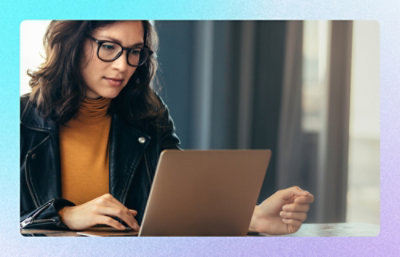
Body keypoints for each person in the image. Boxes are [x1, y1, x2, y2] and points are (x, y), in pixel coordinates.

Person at [20, 20, 314, 235]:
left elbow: (179, 202)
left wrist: (253, 217)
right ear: (72, 42)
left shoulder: (148, 115)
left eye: (135, 51)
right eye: (109, 47)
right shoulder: (17, 119)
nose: (123, 65)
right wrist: (65, 215)